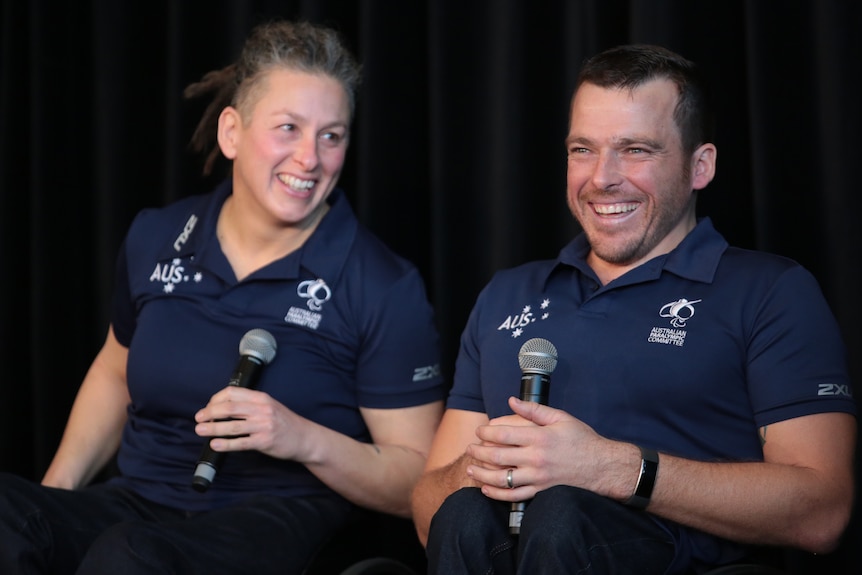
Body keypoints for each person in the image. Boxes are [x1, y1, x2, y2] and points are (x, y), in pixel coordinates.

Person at [0, 19, 446, 574]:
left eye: (332, 136)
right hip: (139, 501)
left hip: (277, 520)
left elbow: (419, 481)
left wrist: (300, 437)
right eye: (288, 128)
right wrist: (53, 502)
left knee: (128, 557)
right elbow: (116, 371)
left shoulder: (381, 283)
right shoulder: (157, 235)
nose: (310, 157)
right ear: (231, 132)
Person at [410, 44, 857, 574]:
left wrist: (615, 469)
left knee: (561, 515)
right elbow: (426, 509)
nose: (602, 178)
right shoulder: (508, 294)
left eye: (636, 150)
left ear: (700, 166)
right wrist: (486, 464)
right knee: (464, 515)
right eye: (583, 150)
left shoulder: (771, 291)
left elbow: (822, 513)